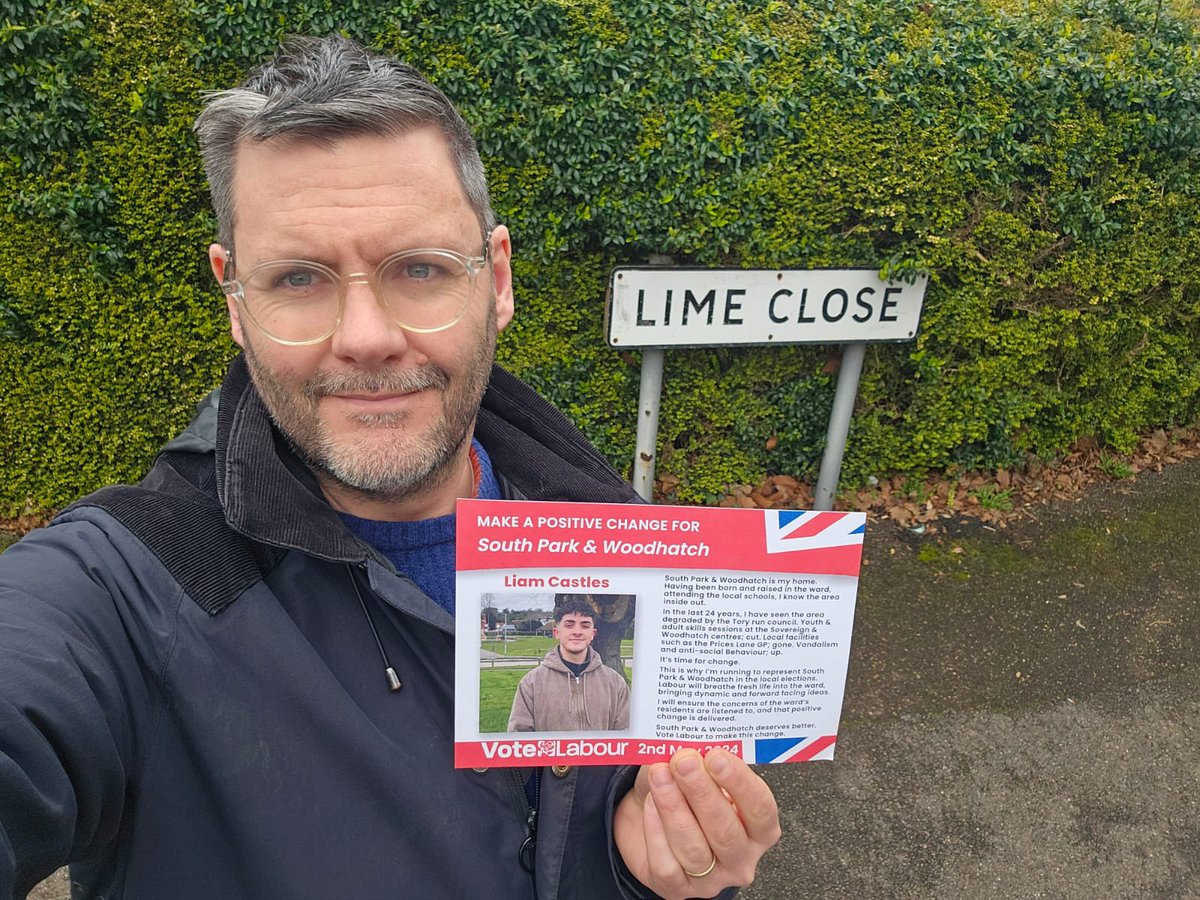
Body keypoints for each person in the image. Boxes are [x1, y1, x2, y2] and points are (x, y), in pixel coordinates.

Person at [0, 35, 780, 900]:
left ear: (498, 279)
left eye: (419, 268)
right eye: (298, 278)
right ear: (235, 299)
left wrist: (653, 880)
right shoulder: (126, 589)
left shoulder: (624, 542)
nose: (367, 337)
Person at [508, 597, 631, 732]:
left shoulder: (615, 682)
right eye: (569, 625)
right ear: (556, 632)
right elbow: (518, 739)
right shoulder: (531, 683)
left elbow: (626, 737)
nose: (577, 632)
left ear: (592, 634)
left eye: (585, 625)